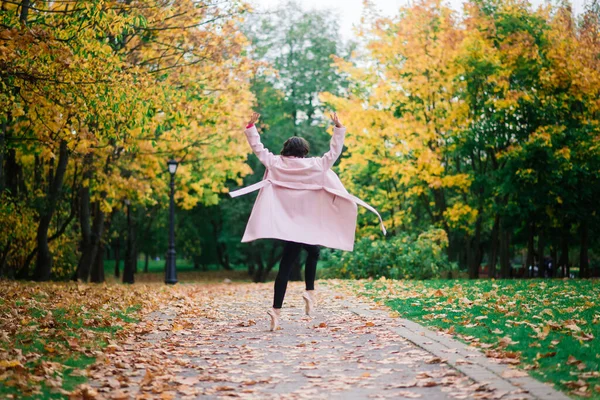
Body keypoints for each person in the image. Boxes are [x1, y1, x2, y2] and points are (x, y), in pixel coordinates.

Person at [230, 112, 386, 331]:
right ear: (304, 151)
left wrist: (250, 126)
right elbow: (334, 152)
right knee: (313, 253)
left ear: (286, 150)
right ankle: (309, 291)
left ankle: (278, 310)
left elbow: (258, 148)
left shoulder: (275, 163)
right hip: (306, 225)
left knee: (287, 266)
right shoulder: (315, 165)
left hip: (287, 225)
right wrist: (338, 128)